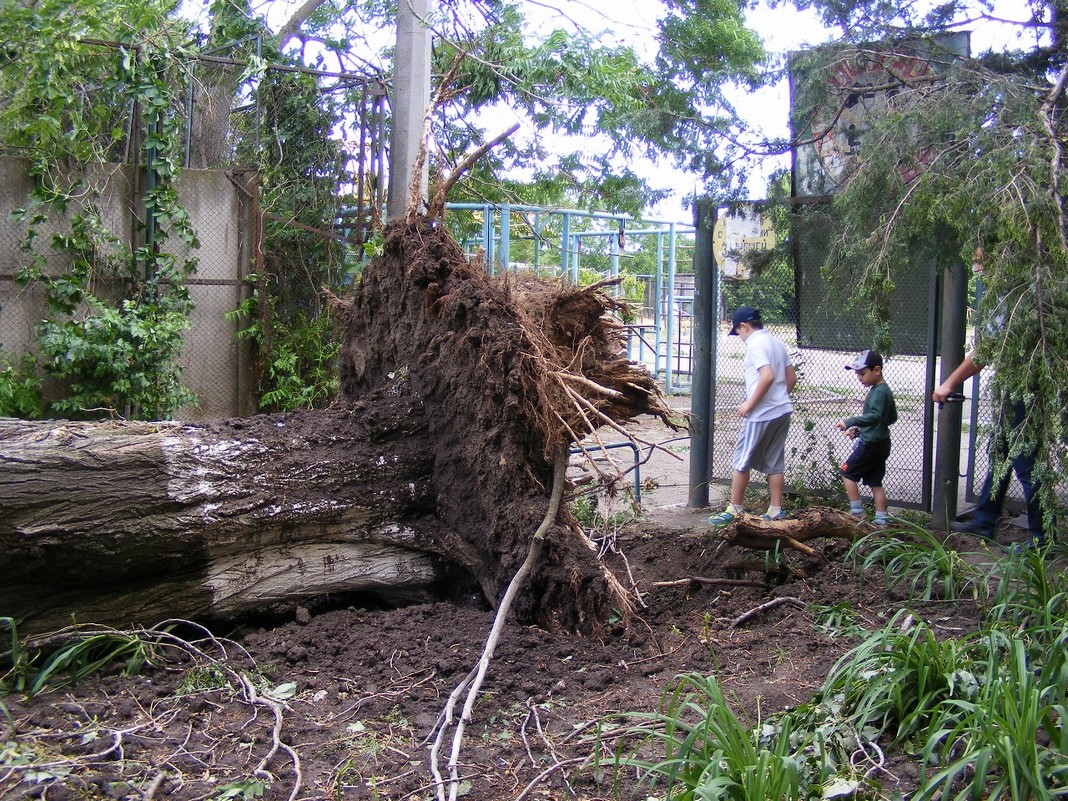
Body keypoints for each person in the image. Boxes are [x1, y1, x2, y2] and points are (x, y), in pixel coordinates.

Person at [932, 352, 1048, 549]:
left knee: (1027, 465)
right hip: (1017, 387)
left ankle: (1042, 539)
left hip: (1027, 389)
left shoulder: (1010, 319)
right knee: (999, 453)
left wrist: (949, 384)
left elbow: (984, 351)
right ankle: (984, 522)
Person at [708, 306, 797, 526]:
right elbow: (791, 378)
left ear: (744, 326)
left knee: (741, 459)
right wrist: (778, 398)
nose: (739, 337)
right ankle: (776, 509)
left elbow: (766, 376)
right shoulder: (776, 343)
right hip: (783, 410)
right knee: (775, 460)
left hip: (761, 414)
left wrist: (750, 404)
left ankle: (735, 508)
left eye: (738, 332)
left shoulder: (754, 344)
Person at [835, 350, 897, 526]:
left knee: (847, 473)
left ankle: (856, 512)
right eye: (857, 374)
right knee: (875, 483)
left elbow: (875, 416)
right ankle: (881, 520)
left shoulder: (878, 392)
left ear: (877, 370)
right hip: (881, 443)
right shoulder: (884, 390)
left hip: (870, 445)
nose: (859, 377)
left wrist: (850, 422)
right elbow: (891, 417)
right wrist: (859, 431)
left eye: (862, 373)